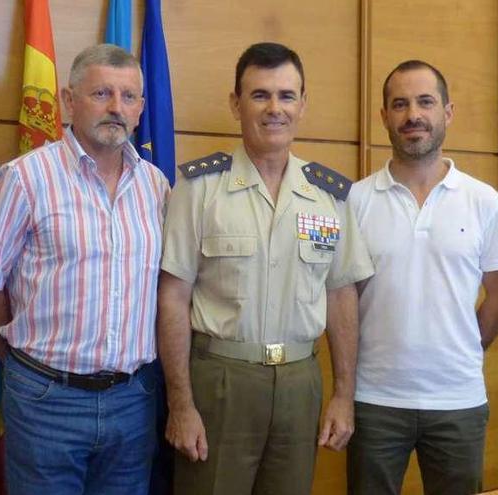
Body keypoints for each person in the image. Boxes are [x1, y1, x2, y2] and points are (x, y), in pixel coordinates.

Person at [158, 42, 374, 495]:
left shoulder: (330, 196)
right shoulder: (200, 189)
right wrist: (181, 404)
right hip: (220, 383)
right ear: (236, 104)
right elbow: (173, 297)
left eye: (286, 95)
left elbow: (341, 296)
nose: (274, 108)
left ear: (302, 104)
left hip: (300, 383)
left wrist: (342, 395)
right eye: (259, 95)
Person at [0, 44, 170, 495]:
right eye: (101, 93)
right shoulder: (25, 179)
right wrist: (28, 364)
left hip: (134, 400)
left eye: (129, 97)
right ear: (69, 101)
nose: (116, 107)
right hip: (46, 401)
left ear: (141, 109)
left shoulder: (156, 186)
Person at [346, 60, 498, 495]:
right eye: (399, 104)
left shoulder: (486, 203)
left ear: (448, 112)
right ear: (384, 117)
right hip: (375, 400)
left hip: (457, 401)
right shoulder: (356, 200)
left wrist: (461, 346)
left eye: (425, 102)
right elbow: (344, 300)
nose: (413, 115)